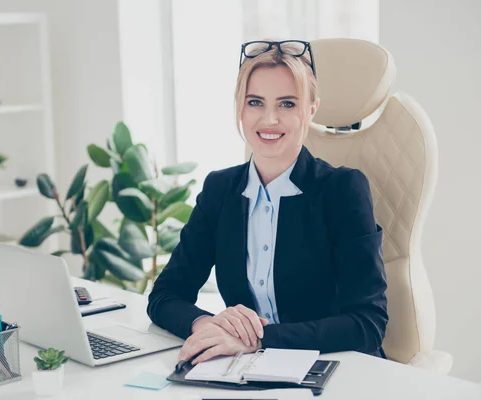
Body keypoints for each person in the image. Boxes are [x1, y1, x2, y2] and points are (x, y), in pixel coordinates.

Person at [147, 40, 388, 365]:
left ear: (311, 109)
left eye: (287, 104)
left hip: (334, 367)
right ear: (240, 109)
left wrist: (256, 339)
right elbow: (165, 295)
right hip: (246, 369)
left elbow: (367, 325)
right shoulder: (220, 190)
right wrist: (209, 325)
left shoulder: (342, 190)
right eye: (255, 102)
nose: (269, 119)